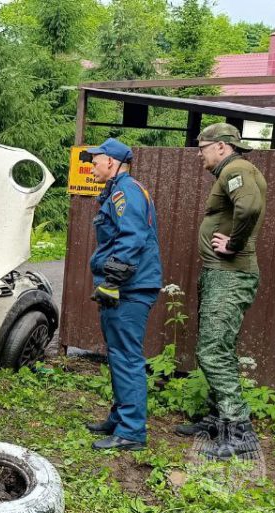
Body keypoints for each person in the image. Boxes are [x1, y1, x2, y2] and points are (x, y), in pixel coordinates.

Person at [175, 123, 267, 460]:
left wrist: (235, 243)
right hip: (220, 275)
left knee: (213, 351)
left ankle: (238, 430)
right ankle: (217, 418)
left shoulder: (237, 168)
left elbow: (250, 208)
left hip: (230, 276)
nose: (200, 153)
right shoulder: (231, 170)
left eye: (203, 147)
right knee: (218, 348)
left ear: (222, 147)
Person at [80, 138, 162, 452]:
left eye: (95, 160)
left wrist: (113, 279)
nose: (91, 165)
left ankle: (131, 432)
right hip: (125, 286)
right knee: (117, 354)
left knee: (126, 357)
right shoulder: (119, 190)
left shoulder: (124, 191)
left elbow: (132, 237)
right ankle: (120, 418)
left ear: (111, 162)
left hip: (130, 287)